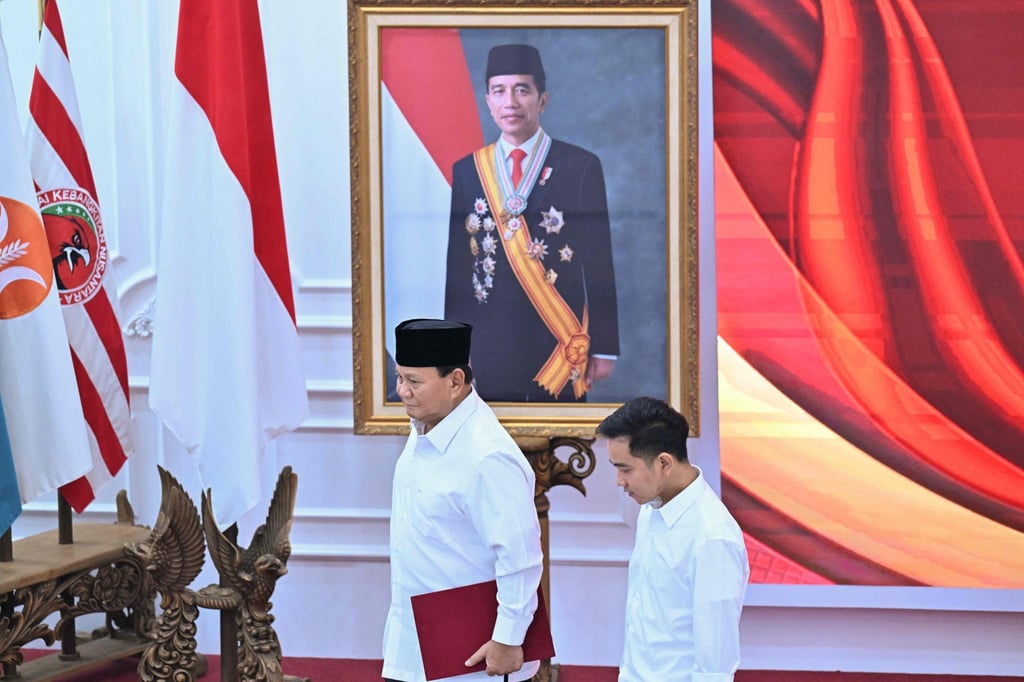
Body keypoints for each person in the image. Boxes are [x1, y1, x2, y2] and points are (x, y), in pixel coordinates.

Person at [445, 43, 619, 403]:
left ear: (543, 100)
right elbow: (459, 266)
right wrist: (455, 345)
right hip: (490, 340)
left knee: (560, 449)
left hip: (559, 341)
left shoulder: (580, 166)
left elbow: (600, 262)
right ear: (488, 102)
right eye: (499, 91)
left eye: (522, 89)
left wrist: (605, 346)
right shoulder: (468, 171)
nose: (510, 101)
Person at [382, 318, 544, 682]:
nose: (401, 392)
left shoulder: (487, 456)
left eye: (414, 381)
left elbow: (520, 556)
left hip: (473, 659)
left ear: (455, 381)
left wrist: (508, 638)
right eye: (399, 378)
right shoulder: (425, 427)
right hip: (415, 641)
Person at [596, 397, 750, 681]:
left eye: (625, 468)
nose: (619, 481)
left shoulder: (712, 538)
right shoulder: (651, 508)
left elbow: (715, 664)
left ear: (664, 463)